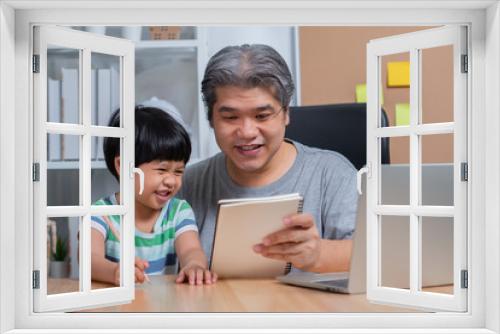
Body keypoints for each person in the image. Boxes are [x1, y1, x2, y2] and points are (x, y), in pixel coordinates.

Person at [179, 44, 359, 273]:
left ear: (286, 113)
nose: (246, 132)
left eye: (262, 116)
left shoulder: (333, 175)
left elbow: (374, 256)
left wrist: (319, 254)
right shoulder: (186, 184)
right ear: (211, 120)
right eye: (231, 117)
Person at [91, 106, 217, 286]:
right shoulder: (100, 213)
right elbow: (90, 260)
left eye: (179, 171)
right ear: (123, 165)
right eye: (162, 170)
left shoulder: (179, 211)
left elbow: (191, 250)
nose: (172, 181)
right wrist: (115, 272)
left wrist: (195, 265)